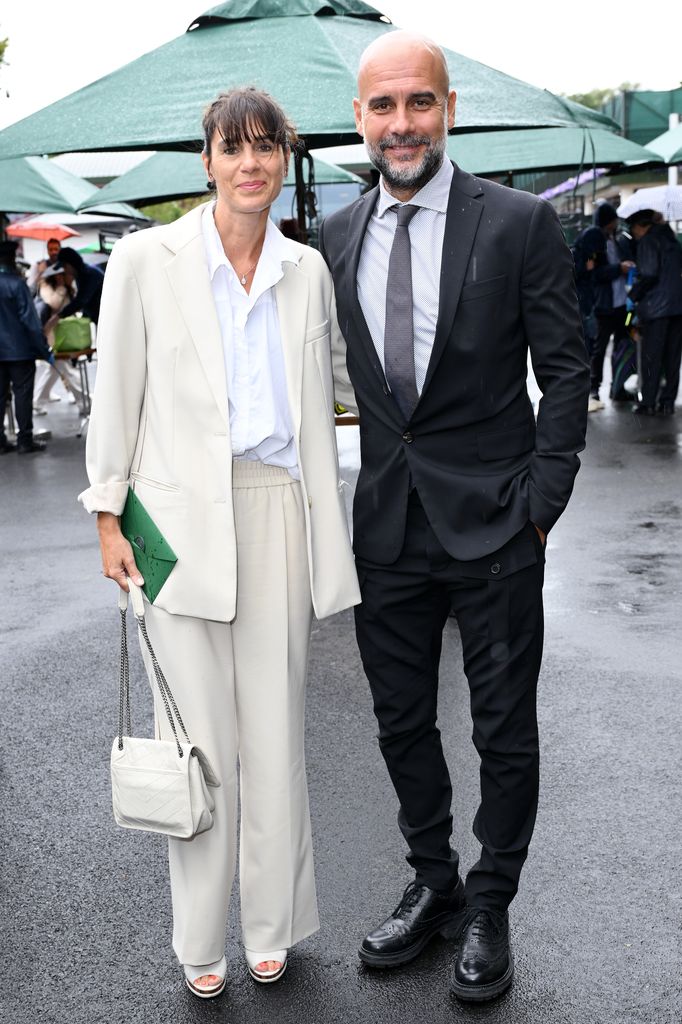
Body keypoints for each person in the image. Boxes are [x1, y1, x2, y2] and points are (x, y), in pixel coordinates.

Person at [319, 31, 589, 1003]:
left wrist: (543, 500)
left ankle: (490, 901)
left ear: (447, 109)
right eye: (383, 107)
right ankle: (433, 881)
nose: (401, 123)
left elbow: (565, 368)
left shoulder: (516, 223)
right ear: (360, 118)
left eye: (418, 103)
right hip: (386, 528)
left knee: (502, 729)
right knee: (400, 723)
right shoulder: (338, 236)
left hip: (497, 528)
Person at [78, 87, 359, 999]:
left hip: (275, 505)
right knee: (195, 741)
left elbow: (326, 405)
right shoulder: (145, 259)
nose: (251, 164)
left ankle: (273, 922)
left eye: (266, 148)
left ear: (283, 160)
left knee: (274, 737)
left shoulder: (305, 270)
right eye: (233, 149)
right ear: (207, 162)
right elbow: (115, 390)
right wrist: (107, 514)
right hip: (169, 524)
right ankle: (201, 937)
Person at [627, 209, 682, 415]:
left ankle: (648, 402)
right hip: (677, 308)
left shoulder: (648, 241)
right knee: (672, 358)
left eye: (633, 229)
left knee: (652, 357)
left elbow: (649, 273)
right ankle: (667, 402)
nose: (633, 234)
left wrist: (633, 295)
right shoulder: (672, 241)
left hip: (656, 308)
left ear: (642, 226)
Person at [0, 240, 53, 454]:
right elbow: (30, 321)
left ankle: (0, 442)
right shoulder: (17, 284)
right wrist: (43, 350)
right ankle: (24, 440)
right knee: (22, 395)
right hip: (19, 352)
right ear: (12, 259)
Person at [587, 202, 635, 410]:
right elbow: (594, 274)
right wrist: (618, 268)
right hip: (604, 306)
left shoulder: (619, 240)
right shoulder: (594, 242)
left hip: (622, 305)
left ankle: (618, 386)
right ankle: (594, 388)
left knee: (621, 346)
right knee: (599, 349)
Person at [33, 264, 85, 411]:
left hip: (65, 334)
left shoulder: (69, 289)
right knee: (63, 367)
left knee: (56, 368)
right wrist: (61, 287)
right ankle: (84, 399)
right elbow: (53, 304)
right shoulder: (45, 286)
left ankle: (38, 400)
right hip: (52, 334)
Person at [57, 246, 104, 324]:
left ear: (71, 264)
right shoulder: (80, 275)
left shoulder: (89, 275)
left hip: (105, 317)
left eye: (64, 266)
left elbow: (81, 300)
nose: (64, 270)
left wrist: (58, 316)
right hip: (96, 317)